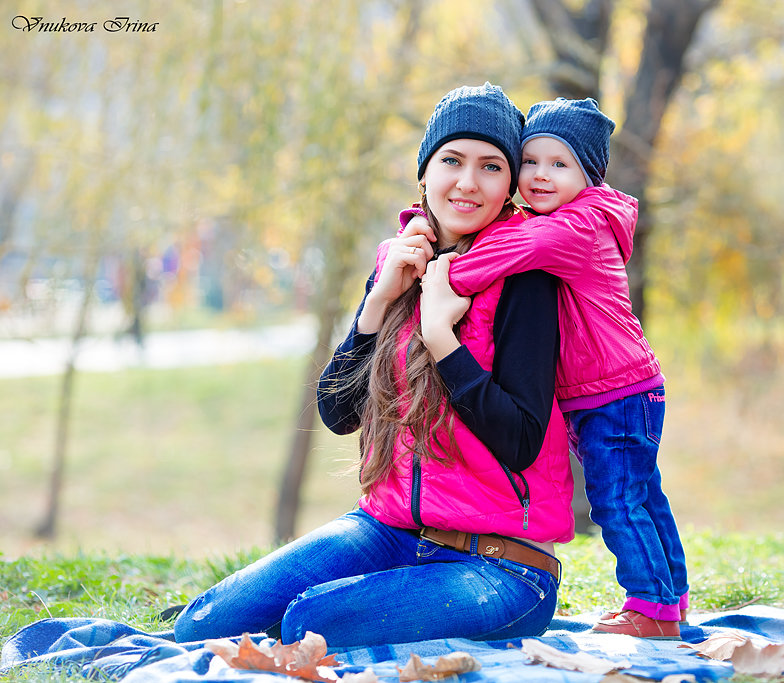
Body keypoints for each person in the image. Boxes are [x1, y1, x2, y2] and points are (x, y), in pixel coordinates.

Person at [173, 83, 574, 648]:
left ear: (510, 186)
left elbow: (521, 440)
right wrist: (378, 302)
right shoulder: (399, 261)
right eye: (452, 161)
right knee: (203, 625)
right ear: (425, 173)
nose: (467, 182)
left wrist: (441, 338)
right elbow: (338, 413)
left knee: (309, 623)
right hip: (385, 530)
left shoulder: (525, 278)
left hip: (499, 566)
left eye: (490, 167)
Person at [401, 97, 689, 639]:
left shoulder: (570, 228)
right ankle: (671, 595)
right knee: (643, 493)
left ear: (589, 176)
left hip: (616, 392)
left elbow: (503, 252)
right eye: (530, 161)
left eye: (559, 164)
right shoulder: (565, 220)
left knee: (618, 500)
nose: (539, 175)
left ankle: (651, 610)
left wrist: (440, 276)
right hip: (616, 388)